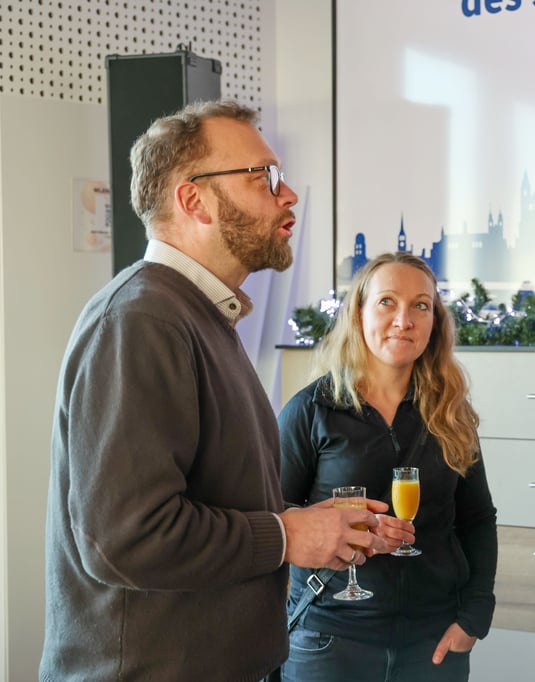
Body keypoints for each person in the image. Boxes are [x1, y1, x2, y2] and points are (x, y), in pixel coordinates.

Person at [41, 100, 394, 681]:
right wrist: (286, 535)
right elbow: (125, 538)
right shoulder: (141, 320)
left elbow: (207, 502)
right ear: (192, 199)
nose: (289, 196)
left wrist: (307, 525)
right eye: (264, 178)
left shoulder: (198, 318)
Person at [277, 251, 498, 682]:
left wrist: (474, 617)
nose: (404, 320)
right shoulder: (310, 410)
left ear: (434, 322)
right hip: (329, 641)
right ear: (358, 314)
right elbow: (274, 519)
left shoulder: (452, 414)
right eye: (387, 302)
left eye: (421, 305)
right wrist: (340, 530)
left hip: (432, 643)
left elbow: (477, 520)